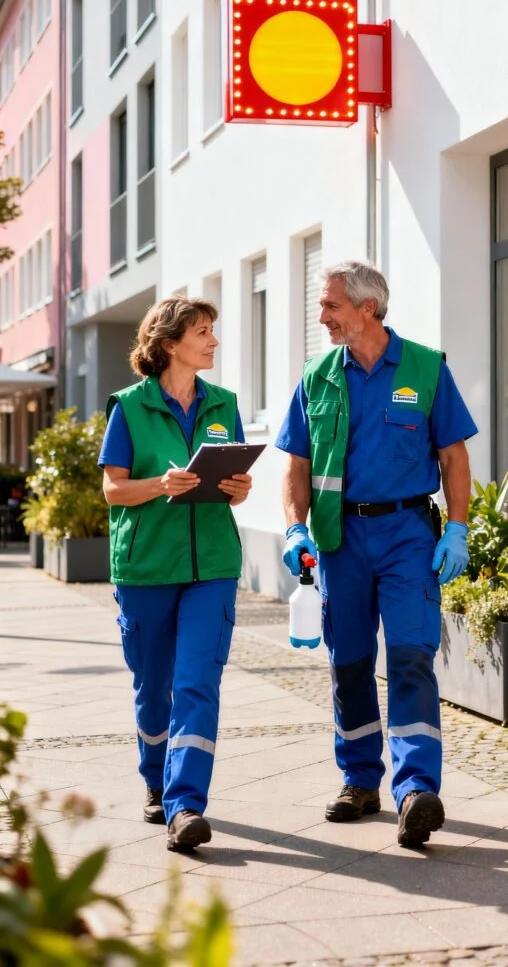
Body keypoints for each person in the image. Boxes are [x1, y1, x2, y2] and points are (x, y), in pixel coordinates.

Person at [276, 261, 477, 848]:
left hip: (408, 535)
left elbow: (454, 458)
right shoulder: (317, 377)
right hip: (340, 540)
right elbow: (297, 464)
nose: (322, 317)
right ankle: (360, 779)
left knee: (412, 656)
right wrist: (295, 530)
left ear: (368, 307)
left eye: (331, 305)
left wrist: (458, 528)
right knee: (349, 662)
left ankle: (416, 789)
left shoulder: (425, 367)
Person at [99, 296, 252, 852]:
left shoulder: (224, 404)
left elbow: (232, 479)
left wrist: (239, 487)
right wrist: (159, 486)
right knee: (153, 685)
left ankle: (185, 803)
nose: (213, 341)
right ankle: (154, 779)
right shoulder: (130, 407)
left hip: (212, 564)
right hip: (145, 567)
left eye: (213, 330)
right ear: (169, 344)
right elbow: (113, 488)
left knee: (197, 682)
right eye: (203, 332)